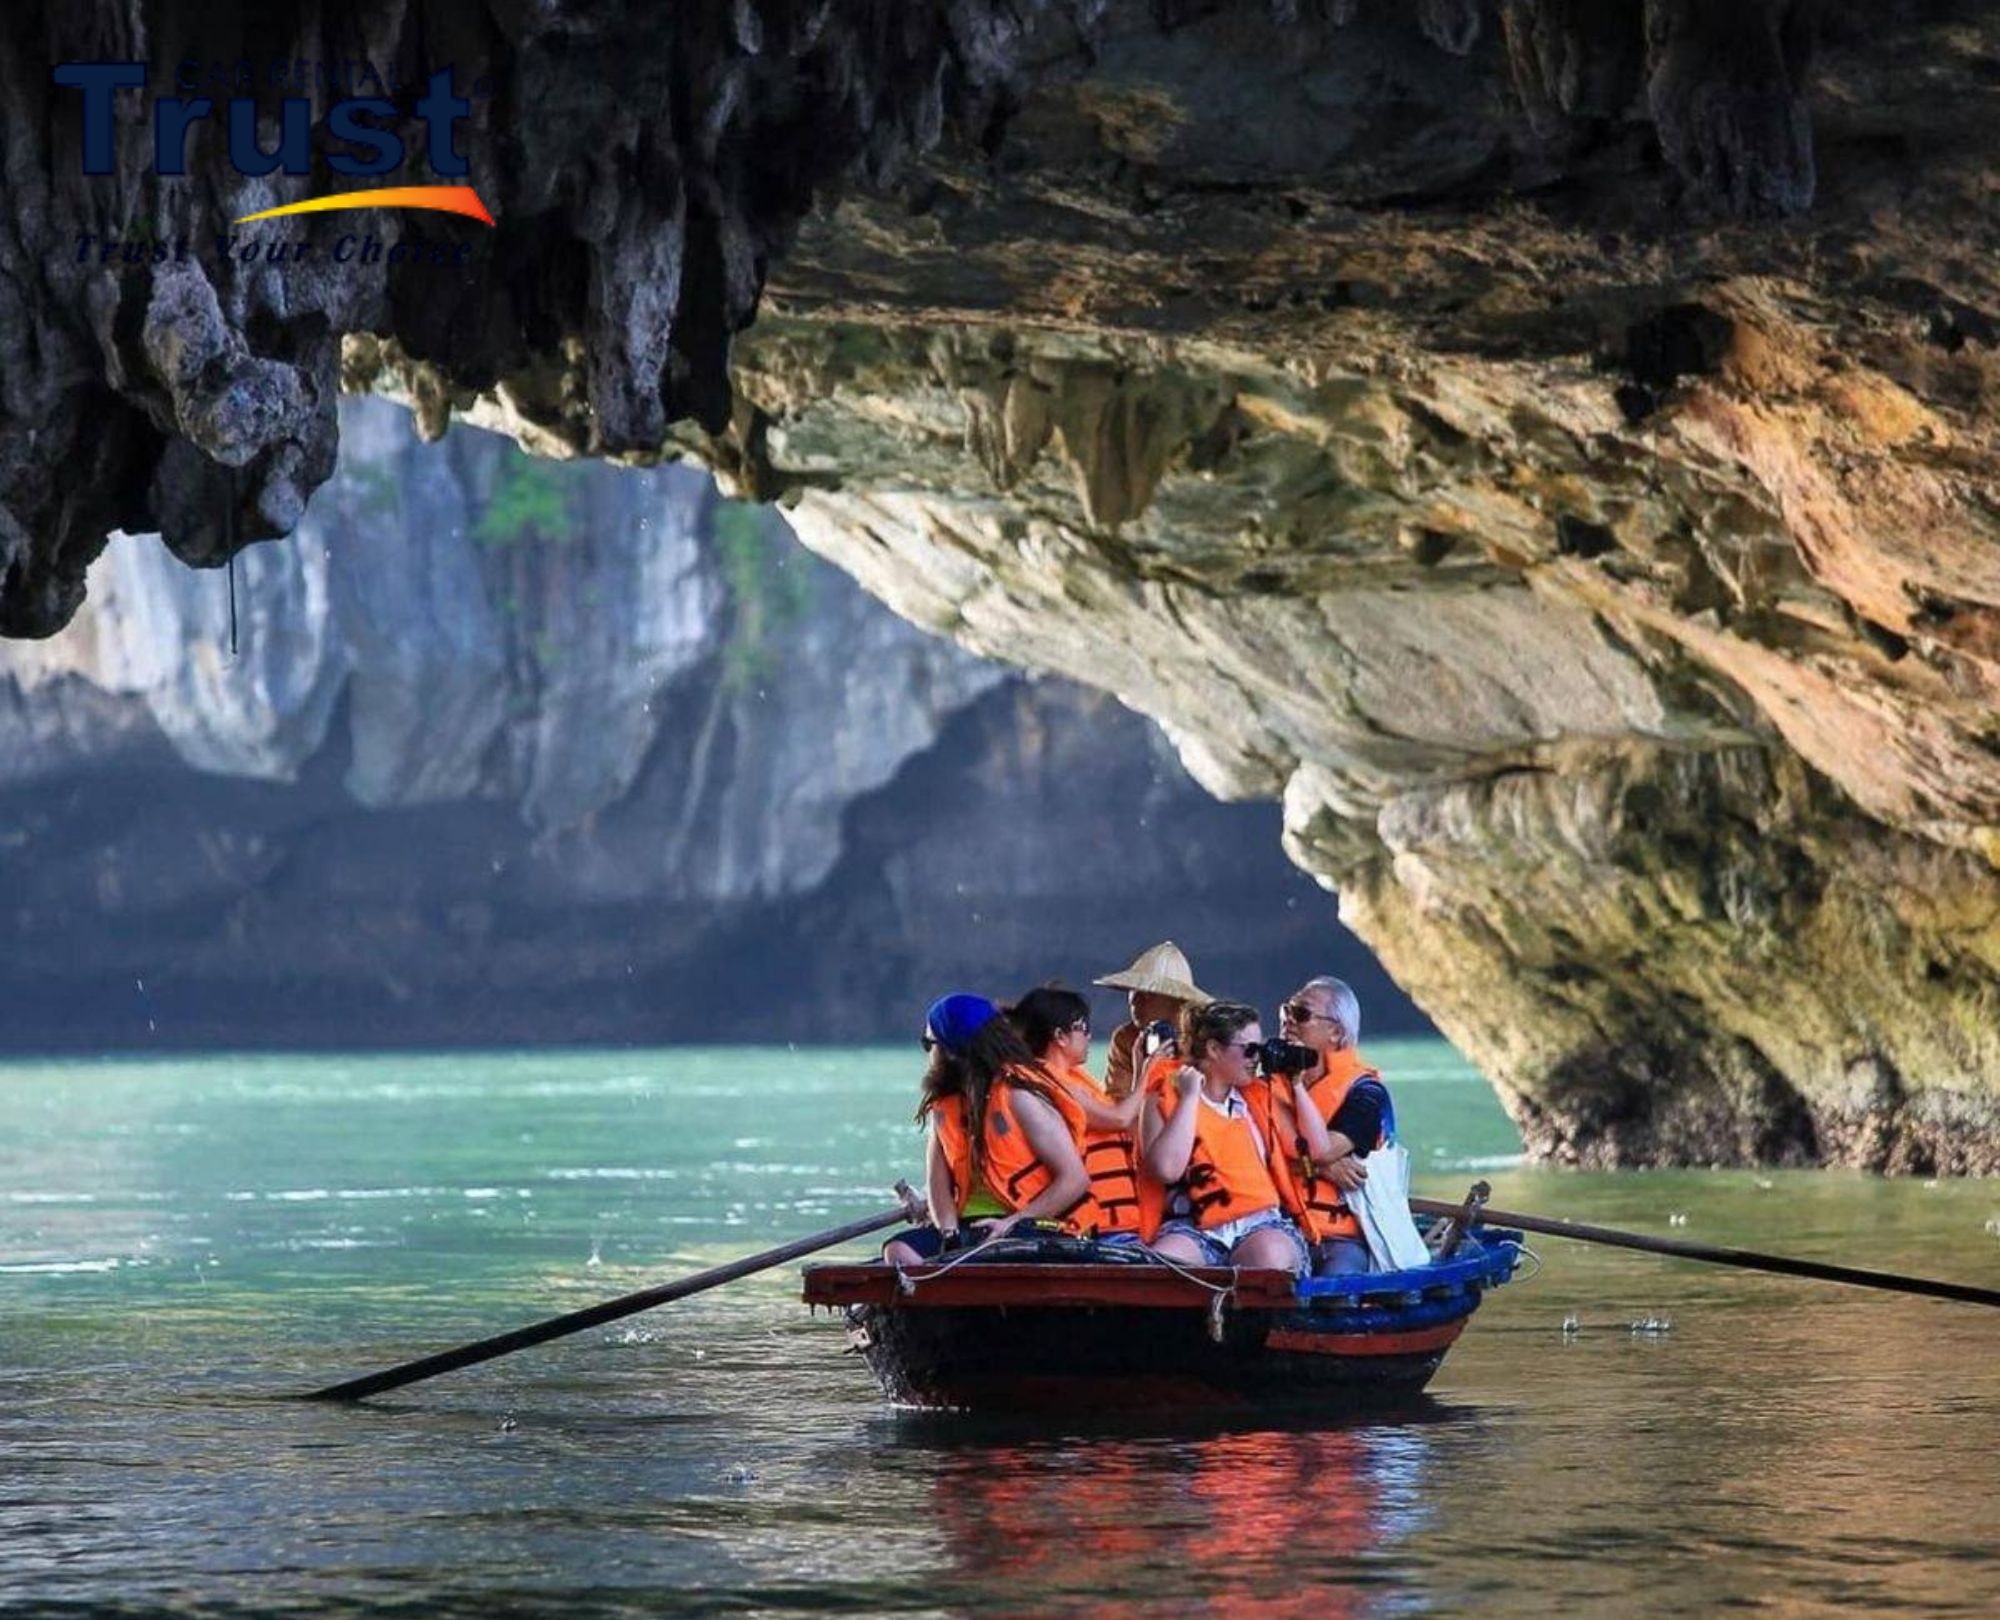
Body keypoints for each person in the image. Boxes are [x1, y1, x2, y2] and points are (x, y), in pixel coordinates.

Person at [883, 993, 1091, 1268]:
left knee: (998, 1249)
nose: (929, 1053)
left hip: (1029, 1225)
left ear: (950, 1050)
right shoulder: (945, 1106)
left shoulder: (1019, 1096)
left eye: (929, 1044)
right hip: (969, 1230)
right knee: (898, 1250)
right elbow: (938, 1184)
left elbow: (1075, 1179)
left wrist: (1012, 1222)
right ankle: (947, 1298)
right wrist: (949, 1232)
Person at [1139, 999, 1309, 1273]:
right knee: (1160, 1268)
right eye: (1249, 1049)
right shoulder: (1163, 1096)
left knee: (1269, 1259)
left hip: (1260, 1222)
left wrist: (1297, 1083)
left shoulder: (1260, 1097)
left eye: (1260, 1048)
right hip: (1195, 1227)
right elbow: (1165, 1169)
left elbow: (1307, 1149)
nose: (1256, 1058)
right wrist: (1189, 1098)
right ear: (1214, 1049)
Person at [1268, 976, 1393, 1277]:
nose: (1288, 1021)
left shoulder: (1366, 1092)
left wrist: (1317, 1166)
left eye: (1301, 1014)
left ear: (1336, 1032)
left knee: (1338, 1279)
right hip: (1277, 1227)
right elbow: (1249, 1154)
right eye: (1286, 1011)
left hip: (1341, 1237)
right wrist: (1323, 1169)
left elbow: (1324, 1151)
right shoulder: (1265, 1084)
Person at [1007, 984, 1145, 1241]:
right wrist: (1148, 1069)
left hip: (1119, 1222)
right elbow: (1119, 1118)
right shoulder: (1052, 1084)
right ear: (1060, 1036)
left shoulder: (1070, 1079)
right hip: (1101, 1225)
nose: (1089, 1036)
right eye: (1084, 1028)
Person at [1093, 940, 1212, 1099]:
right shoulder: (1127, 1039)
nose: (1134, 1000)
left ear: (1177, 1000)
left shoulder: (1207, 1039)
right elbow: (1119, 1104)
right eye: (1133, 990)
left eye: (1149, 993)